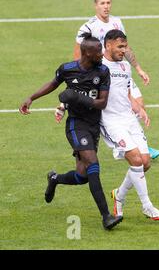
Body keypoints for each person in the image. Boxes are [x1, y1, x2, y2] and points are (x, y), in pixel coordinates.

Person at [19, 33, 122, 230]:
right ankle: (106, 216)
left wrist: (75, 96)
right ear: (87, 53)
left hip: (93, 126)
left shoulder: (103, 72)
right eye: (98, 51)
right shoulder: (67, 69)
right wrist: (31, 97)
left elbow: (102, 103)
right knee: (93, 163)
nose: (102, 54)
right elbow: (52, 84)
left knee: (82, 176)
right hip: (76, 125)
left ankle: (54, 179)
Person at [72, 0, 159, 160]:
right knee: (110, 107)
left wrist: (139, 68)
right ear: (95, 5)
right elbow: (77, 56)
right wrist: (83, 80)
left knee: (139, 103)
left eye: (108, 3)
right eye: (102, 3)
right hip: (102, 75)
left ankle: (133, 143)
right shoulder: (88, 27)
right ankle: (122, 144)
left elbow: (125, 47)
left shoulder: (117, 22)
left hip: (121, 70)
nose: (106, 6)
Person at [101, 29, 159, 220]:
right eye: (120, 47)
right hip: (111, 122)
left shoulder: (124, 67)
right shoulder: (100, 67)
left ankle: (119, 196)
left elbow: (127, 95)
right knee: (136, 160)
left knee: (145, 163)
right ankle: (147, 206)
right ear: (108, 45)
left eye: (125, 46)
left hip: (129, 119)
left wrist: (140, 110)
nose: (124, 51)